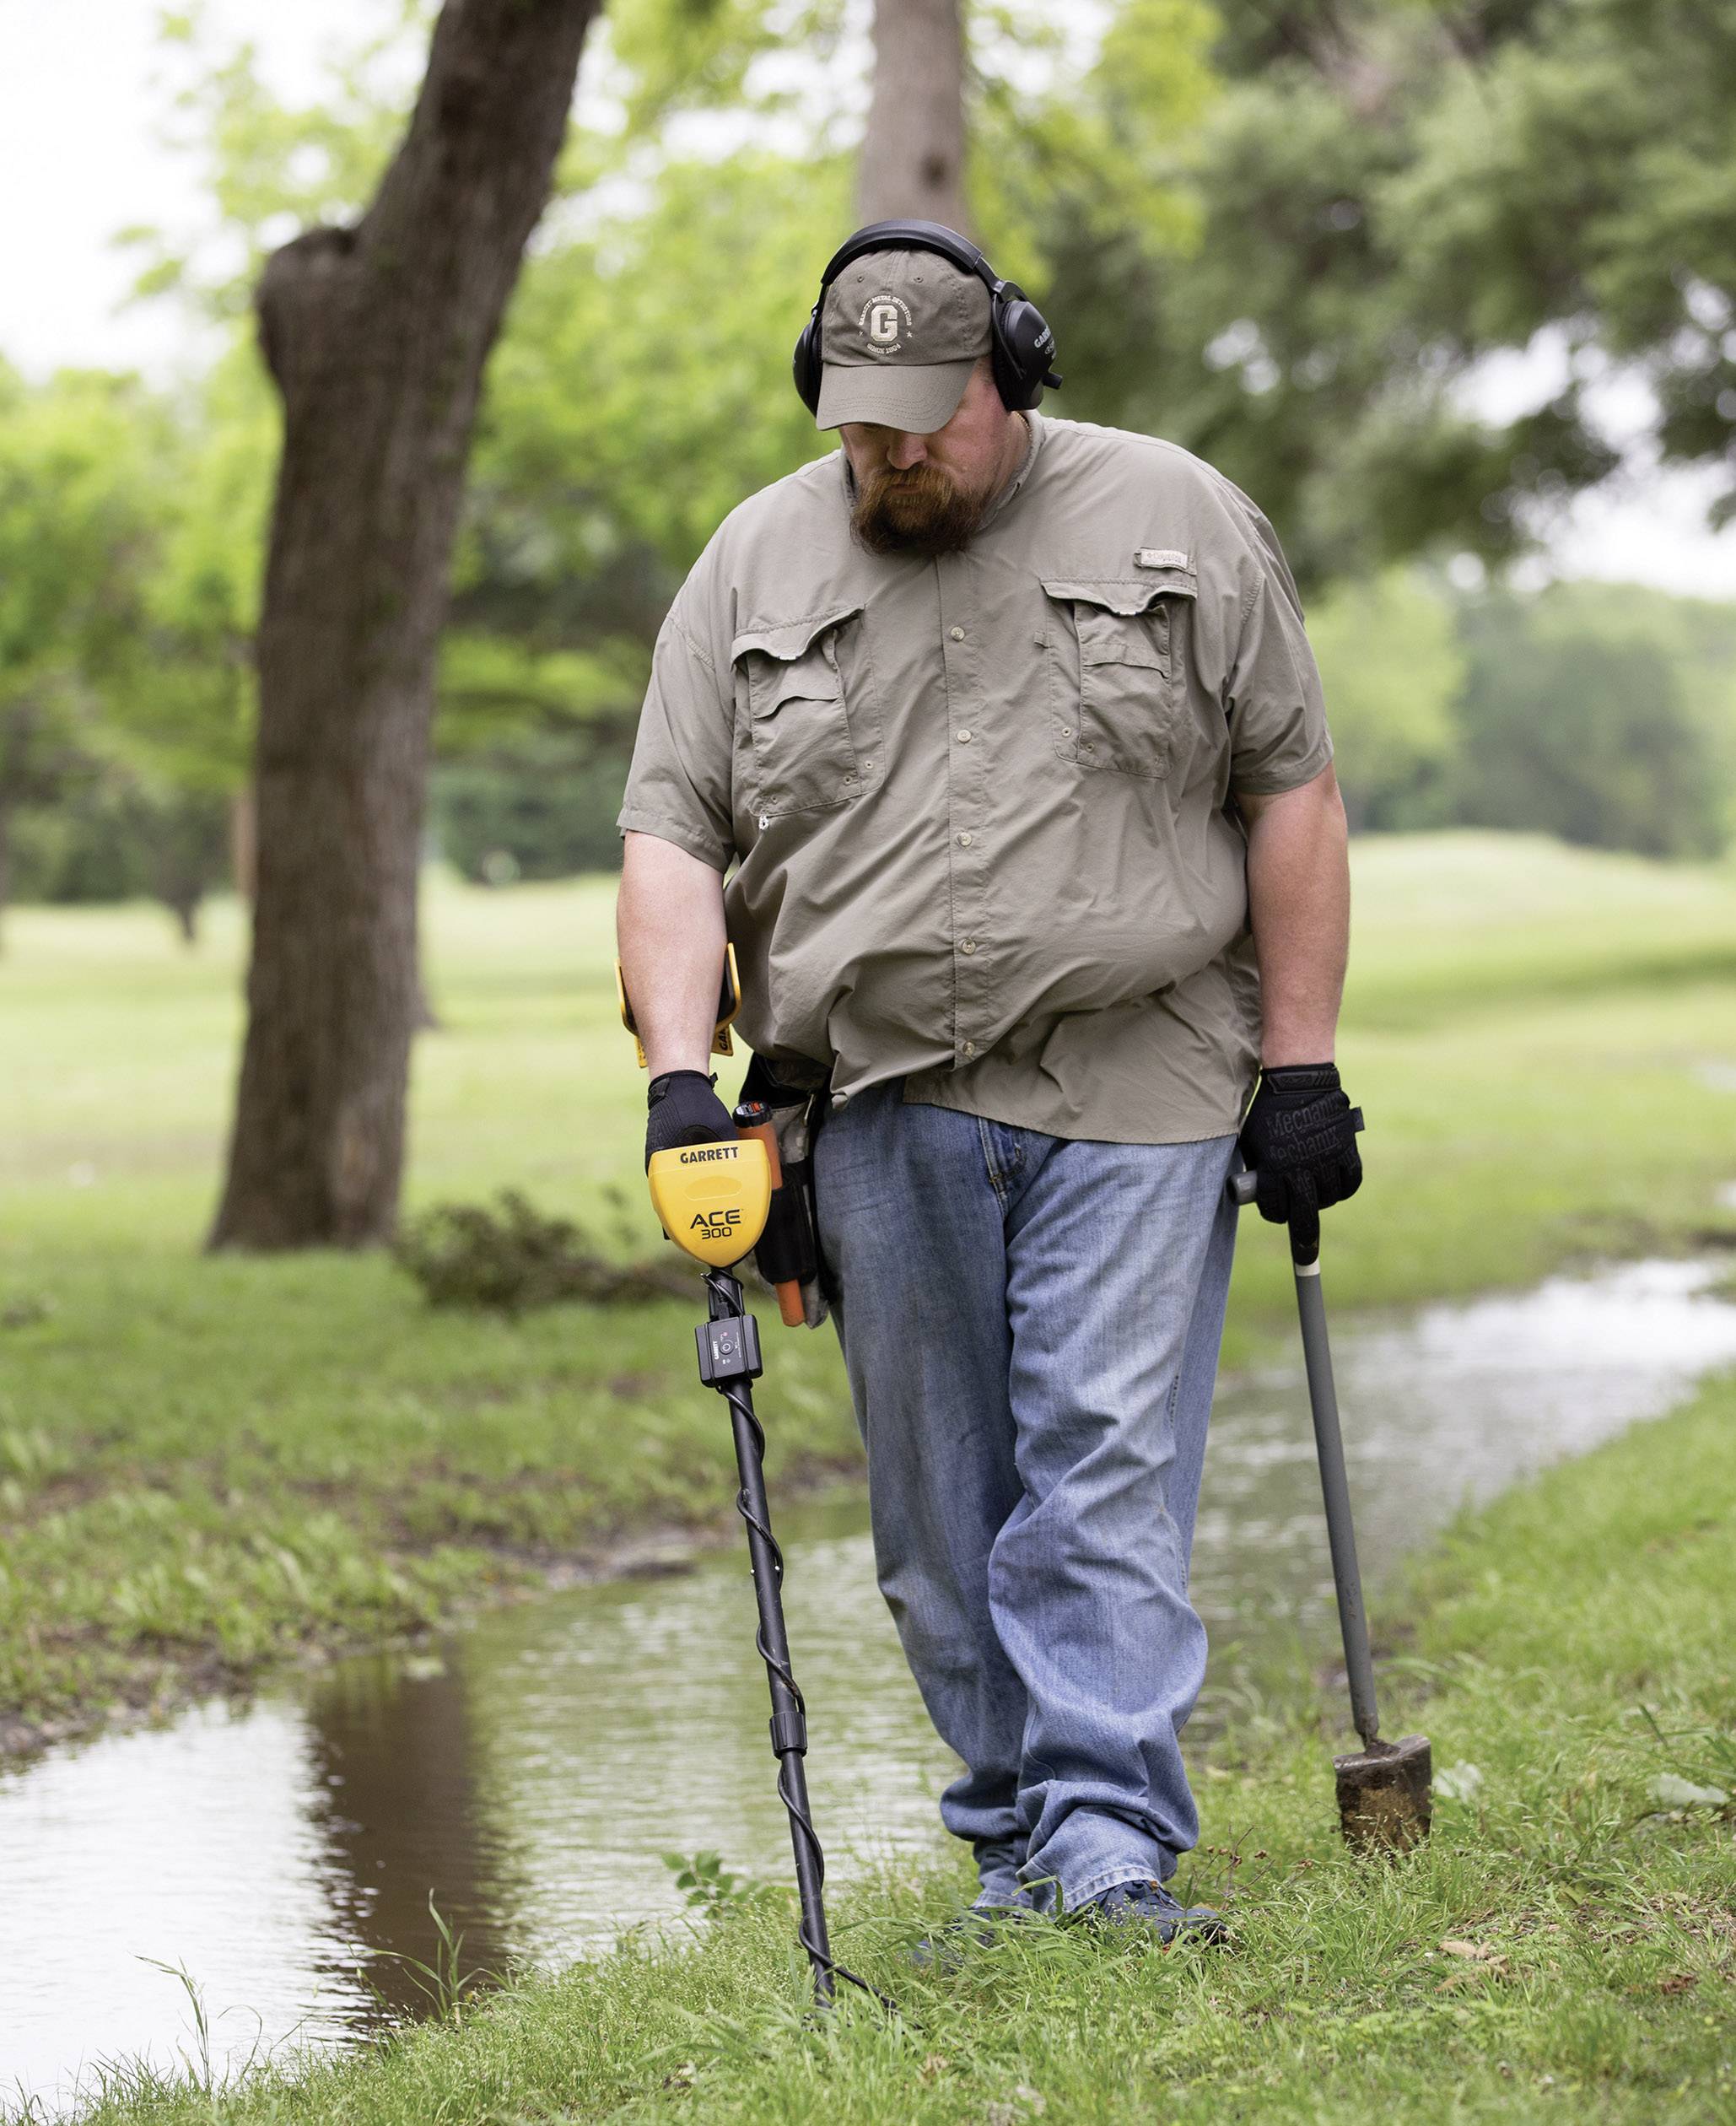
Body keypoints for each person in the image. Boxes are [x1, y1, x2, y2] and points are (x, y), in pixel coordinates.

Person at [613, 220, 1362, 1945]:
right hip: (876, 1100)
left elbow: (1292, 796)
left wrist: (1304, 1065)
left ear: (1006, 381)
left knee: (1098, 1455)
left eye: (922, 426)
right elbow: (673, 834)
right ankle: (1017, 1843)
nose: (886, 460)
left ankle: (1107, 1845)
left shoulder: (1178, 515)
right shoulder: (751, 565)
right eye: (855, 428)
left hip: (1146, 1068)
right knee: (942, 1515)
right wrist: (682, 1079)